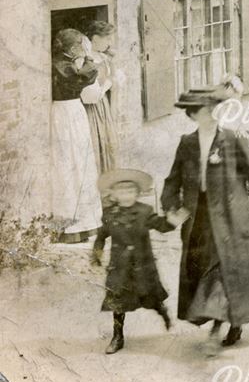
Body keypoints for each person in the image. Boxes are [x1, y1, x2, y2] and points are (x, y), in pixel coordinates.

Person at [161, 86, 249, 355]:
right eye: (202, 110)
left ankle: (215, 332)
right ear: (193, 115)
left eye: (212, 109)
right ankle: (232, 320)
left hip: (232, 220)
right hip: (199, 220)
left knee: (221, 274)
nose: (209, 113)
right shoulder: (187, 142)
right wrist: (171, 208)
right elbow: (172, 181)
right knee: (205, 273)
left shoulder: (232, 140)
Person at [91, 169, 174, 354]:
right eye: (121, 192)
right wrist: (96, 254)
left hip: (142, 266)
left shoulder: (145, 212)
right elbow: (101, 236)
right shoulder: (109, 214)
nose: (126, 196)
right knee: (118, 302)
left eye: (130, 192)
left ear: (137, 193)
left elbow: (161, 225)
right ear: (113, 194)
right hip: (119, 268)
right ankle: (117, 336)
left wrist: (172, 221)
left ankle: (163, 313)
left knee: (151, 296)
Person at [50, 28, 104, 243]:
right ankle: (70, 226)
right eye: (81, 45)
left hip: (73, 111)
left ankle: (85, 224)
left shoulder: (68, 63)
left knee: (81, 164)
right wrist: (88, 57)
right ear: (73, 48)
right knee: (68, 165)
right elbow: (89, 75)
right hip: (64, 114)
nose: (83, 50)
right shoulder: (61, 65)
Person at [82, 21, 122, 173]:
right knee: (94, 142)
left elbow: (117, 78)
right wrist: (110, 82)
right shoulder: (85, 59)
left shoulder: (103, 57)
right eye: (107, 38)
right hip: (90, 107)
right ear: (95, 38)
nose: (110, 43)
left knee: (107, 141)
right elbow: (93, 90)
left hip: (103, 106)